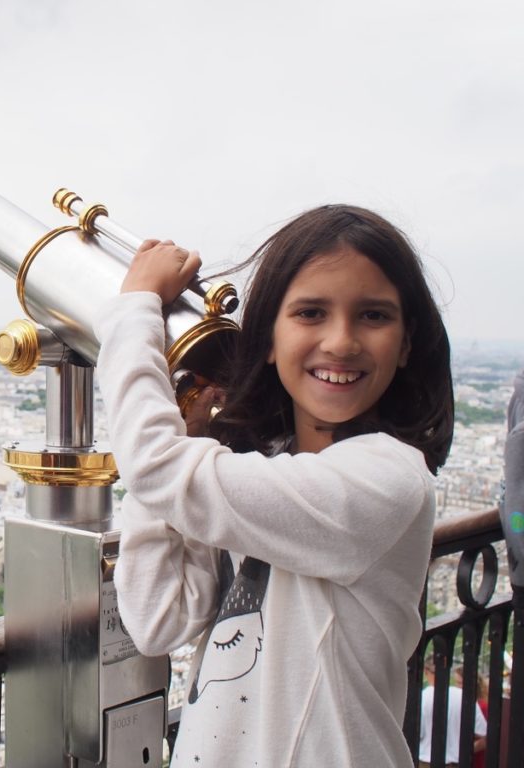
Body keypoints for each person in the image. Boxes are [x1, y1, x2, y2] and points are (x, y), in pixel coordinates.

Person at [95, 205, 454, 767]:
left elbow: (154, 465)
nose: (341, 342)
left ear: (408, 344)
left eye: (373, 316)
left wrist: (134, 310)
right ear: (267, 339)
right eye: (311, 312)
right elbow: (159, 618)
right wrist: (183, 441)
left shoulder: (385, 480)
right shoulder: (272, 468)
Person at [417, 661, 486, 767]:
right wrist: (462, 751)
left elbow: (417, 733)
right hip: (455, 763)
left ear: (426, 672)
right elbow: (484, 737)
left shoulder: (421, 697)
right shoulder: (464, 696)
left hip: (425, 761)